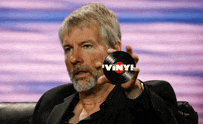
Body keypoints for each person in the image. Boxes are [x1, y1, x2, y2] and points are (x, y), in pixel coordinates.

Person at [32, 2, 197, 124]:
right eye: (68, 49)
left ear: (114, 49)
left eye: (86, 46)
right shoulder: (51, 100)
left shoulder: (147, 96)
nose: (74, 58)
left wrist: (134, 91)